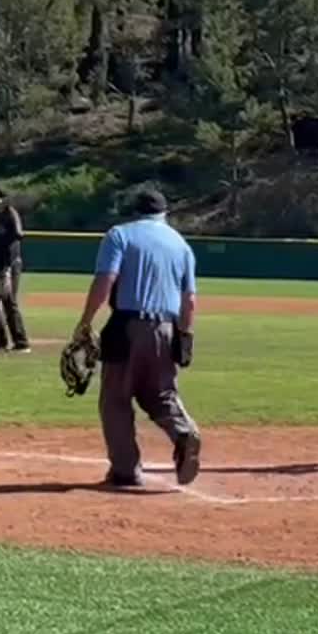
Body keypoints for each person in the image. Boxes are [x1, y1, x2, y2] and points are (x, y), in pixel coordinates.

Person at [71, 187, 202, 490]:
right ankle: (183, 431)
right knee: (161, 394)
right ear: (164, 213)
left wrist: (86, 322)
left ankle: (126, 470)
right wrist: (185, 336)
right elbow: (190, 300)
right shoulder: (181, 245)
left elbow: (106, 280)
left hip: (127, 326)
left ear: (135, 211)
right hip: (167, 328)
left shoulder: (119, 235)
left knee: (115, 399)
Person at [0, 194, 29, 353]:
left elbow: (19, 234)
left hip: (9, 264)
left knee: (9, 302)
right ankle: (0, 341)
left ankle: (21, 343)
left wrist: (8, 268)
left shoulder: (10, 213)